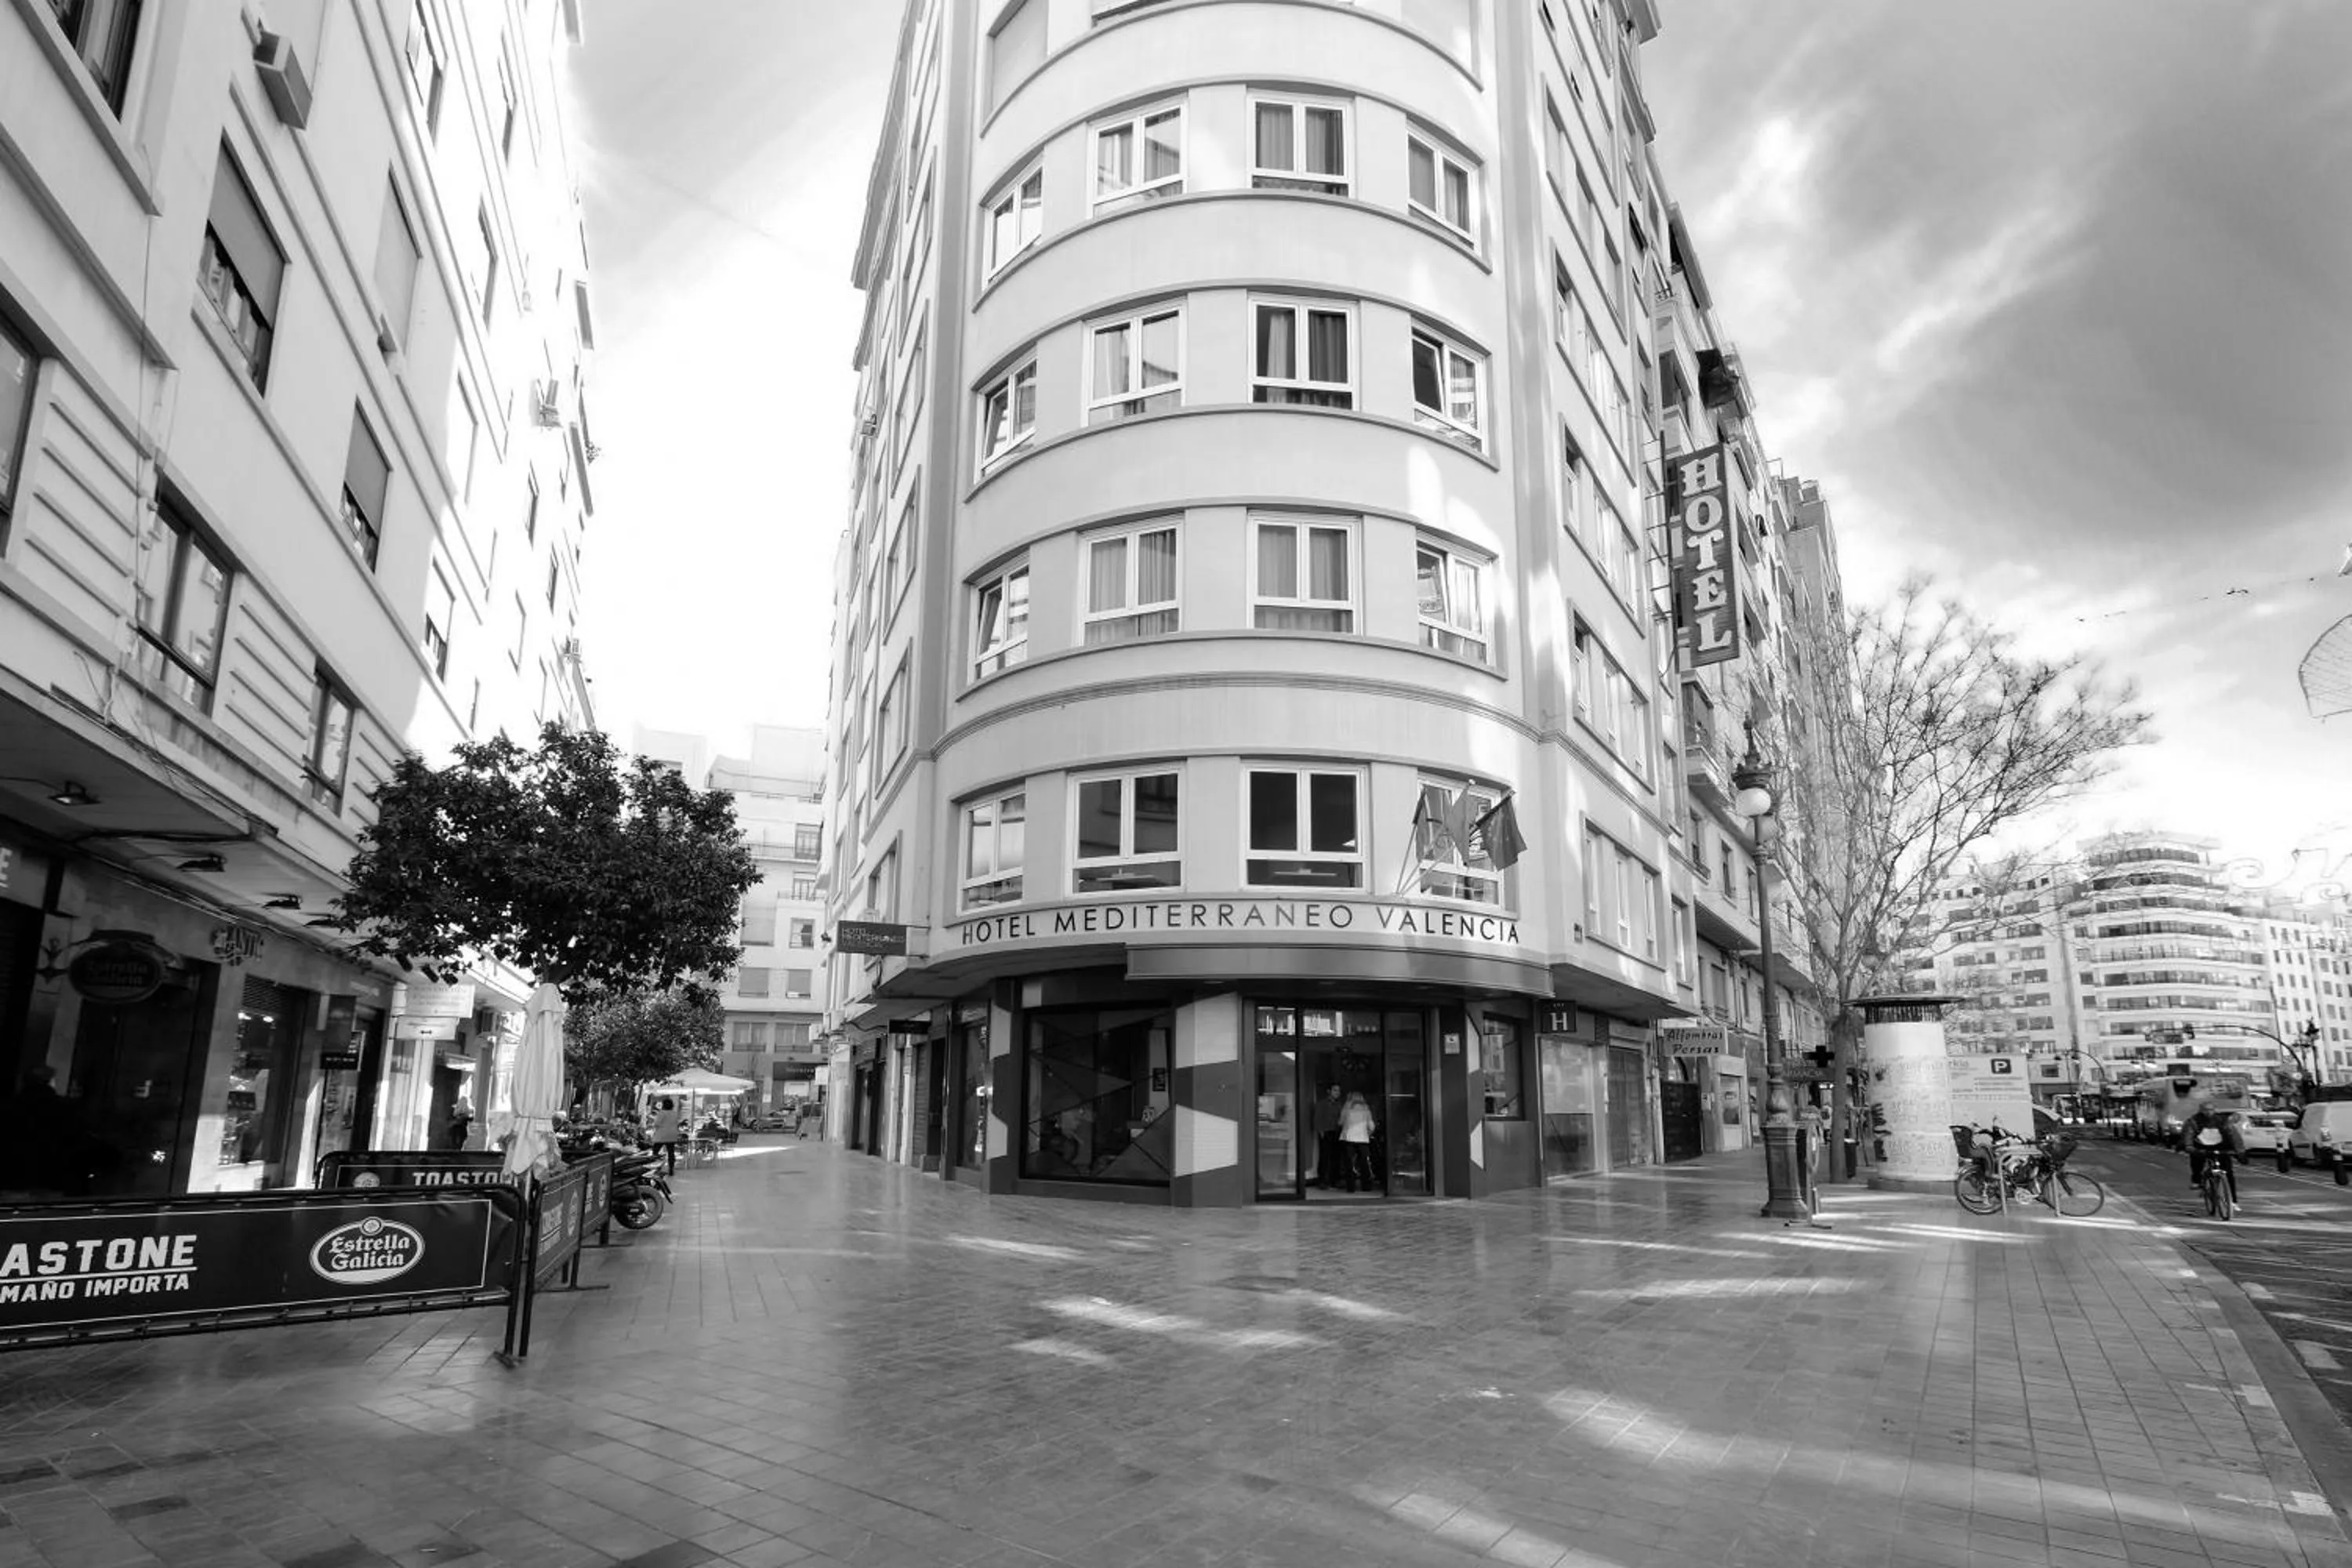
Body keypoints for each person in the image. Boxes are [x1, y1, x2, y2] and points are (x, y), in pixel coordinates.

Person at [2185, 1102, 2241, 1206]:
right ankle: (2197, 1180)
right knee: (2196, 1160)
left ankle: (2233, 1201)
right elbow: (2189, 1134)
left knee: (2229, 1172)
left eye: (2211, 1110)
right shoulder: (2194, 1121)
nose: (2208, 1112)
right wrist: (2189, 1147)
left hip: (2220, 1147)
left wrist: (2239, 1151)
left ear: (2215, 1110)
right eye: (2206, 1110)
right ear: (2201, 1111)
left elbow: (2233, 1135)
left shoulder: (2222, 1121)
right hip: (2201, 1147)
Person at [1338, 1091, 1377, 1193]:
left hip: (1348, 1139)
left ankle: (1351, 1187)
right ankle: (1366, 1186)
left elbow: (1340, 1122)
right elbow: (1371, 1126)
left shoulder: (1346, 1109)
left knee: (1349, 1164)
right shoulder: (1366, 1110)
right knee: (1364, 1163)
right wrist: (1368, 1134)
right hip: (1363, 1139)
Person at [1312, 1083, 1344, 1189]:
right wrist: (1320, 1131)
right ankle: (1322, 1181)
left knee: (1336, 1157)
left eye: (1338, 1091)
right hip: (1326, 1132)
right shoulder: (1321, 1104)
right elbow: (1317, 1118)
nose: (1337, 1093)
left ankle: (1335, 1180)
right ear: (1329, 1091)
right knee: (1325, 1157)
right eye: (1335, 1090)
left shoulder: (1339, 1105)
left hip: (1337, 1132)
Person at [648, 1096, 684, 1175]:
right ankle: (671, 1169)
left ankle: (654, 1168)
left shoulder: (662, 1113)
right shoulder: (674, 1113)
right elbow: (677, 1123)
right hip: (672, 1135)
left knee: (655, 1152)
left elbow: (656, 1124)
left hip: (661, 1135)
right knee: (671, 1152)